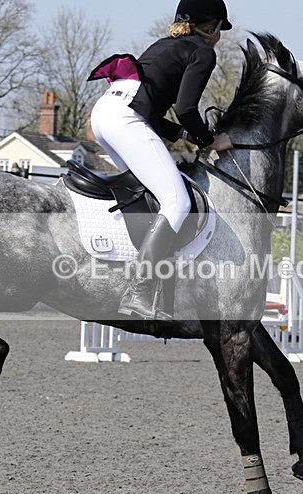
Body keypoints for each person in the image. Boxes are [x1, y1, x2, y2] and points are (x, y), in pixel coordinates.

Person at [87, 0, 233, 321]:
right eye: (220, 28)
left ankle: (129, 268)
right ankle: (138, 292)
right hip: (127, 119)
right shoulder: (203, 52)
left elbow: (151, 109)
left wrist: (184, 134)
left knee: (146, 194)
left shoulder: (163, 45)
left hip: (104, 113)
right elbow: (186, 109)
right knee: (177, 201)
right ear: (210, 28)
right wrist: (210, 140)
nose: (219, 35)